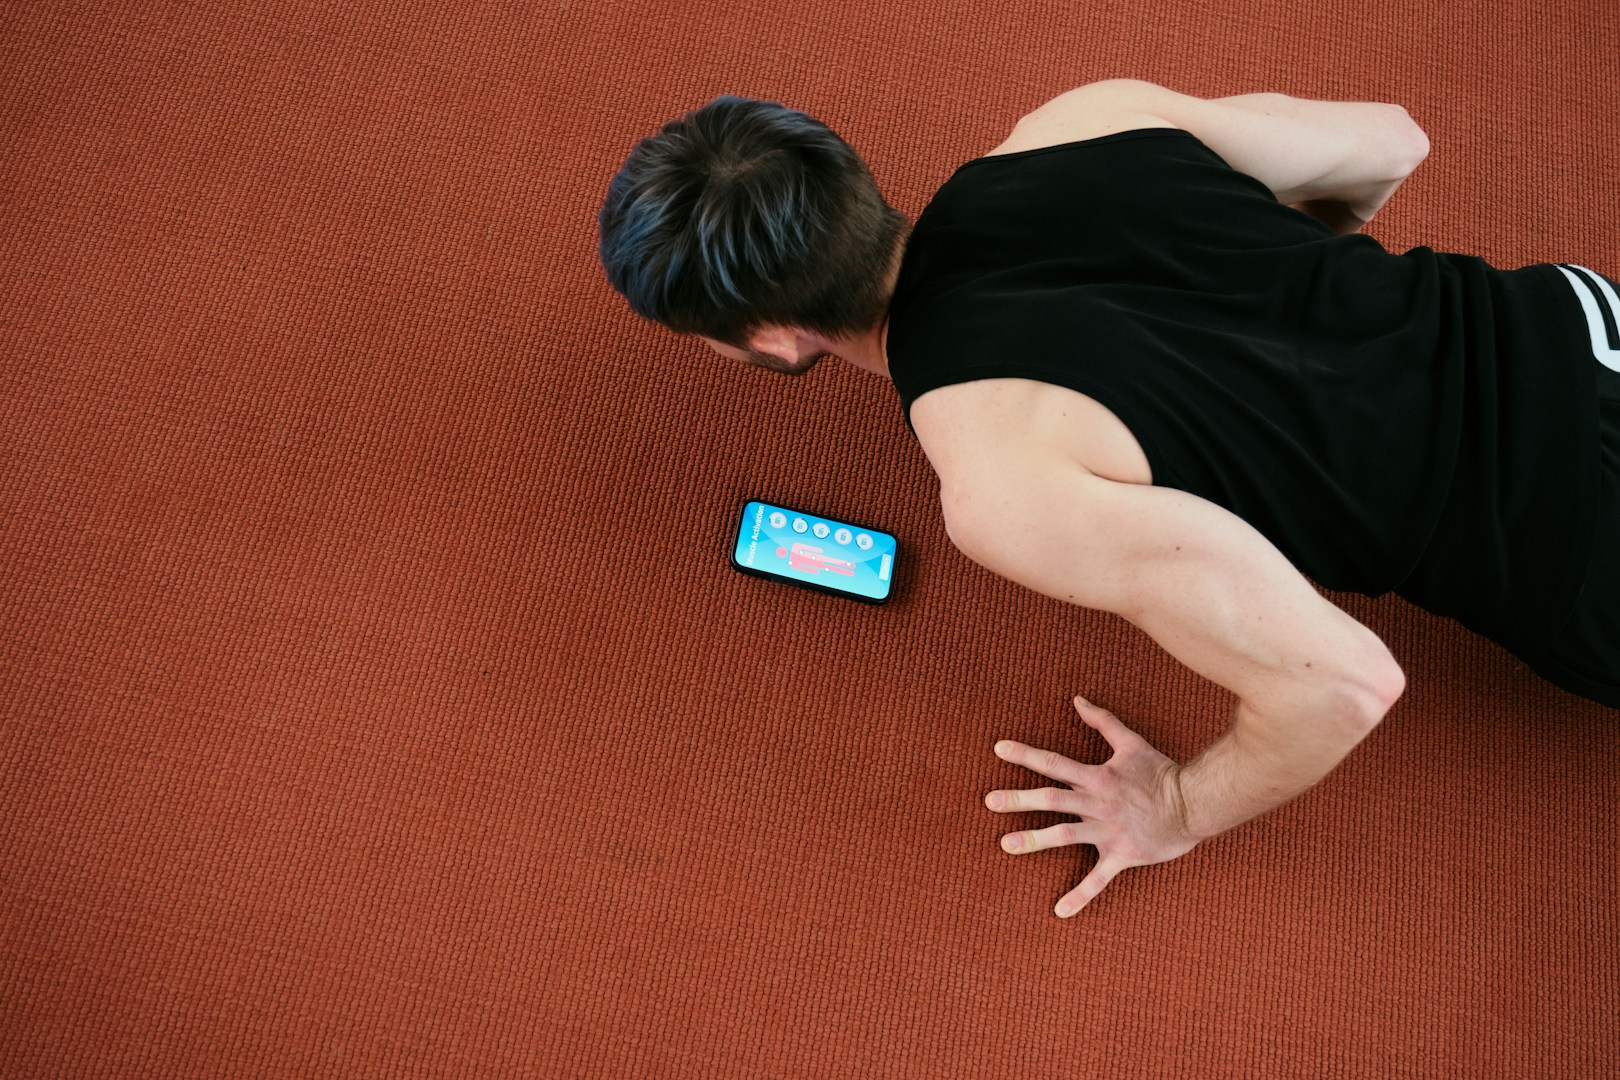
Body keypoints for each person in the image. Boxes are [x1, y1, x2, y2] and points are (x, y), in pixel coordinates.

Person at [597, 79, 1620, 917]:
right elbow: (1391, 143)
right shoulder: (1083, 119)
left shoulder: (999, 481)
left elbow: (1342, 687)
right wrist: (1299, 290)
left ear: (773, 338)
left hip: (1583, 538)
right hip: (1578, 319)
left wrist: (1175, 807)